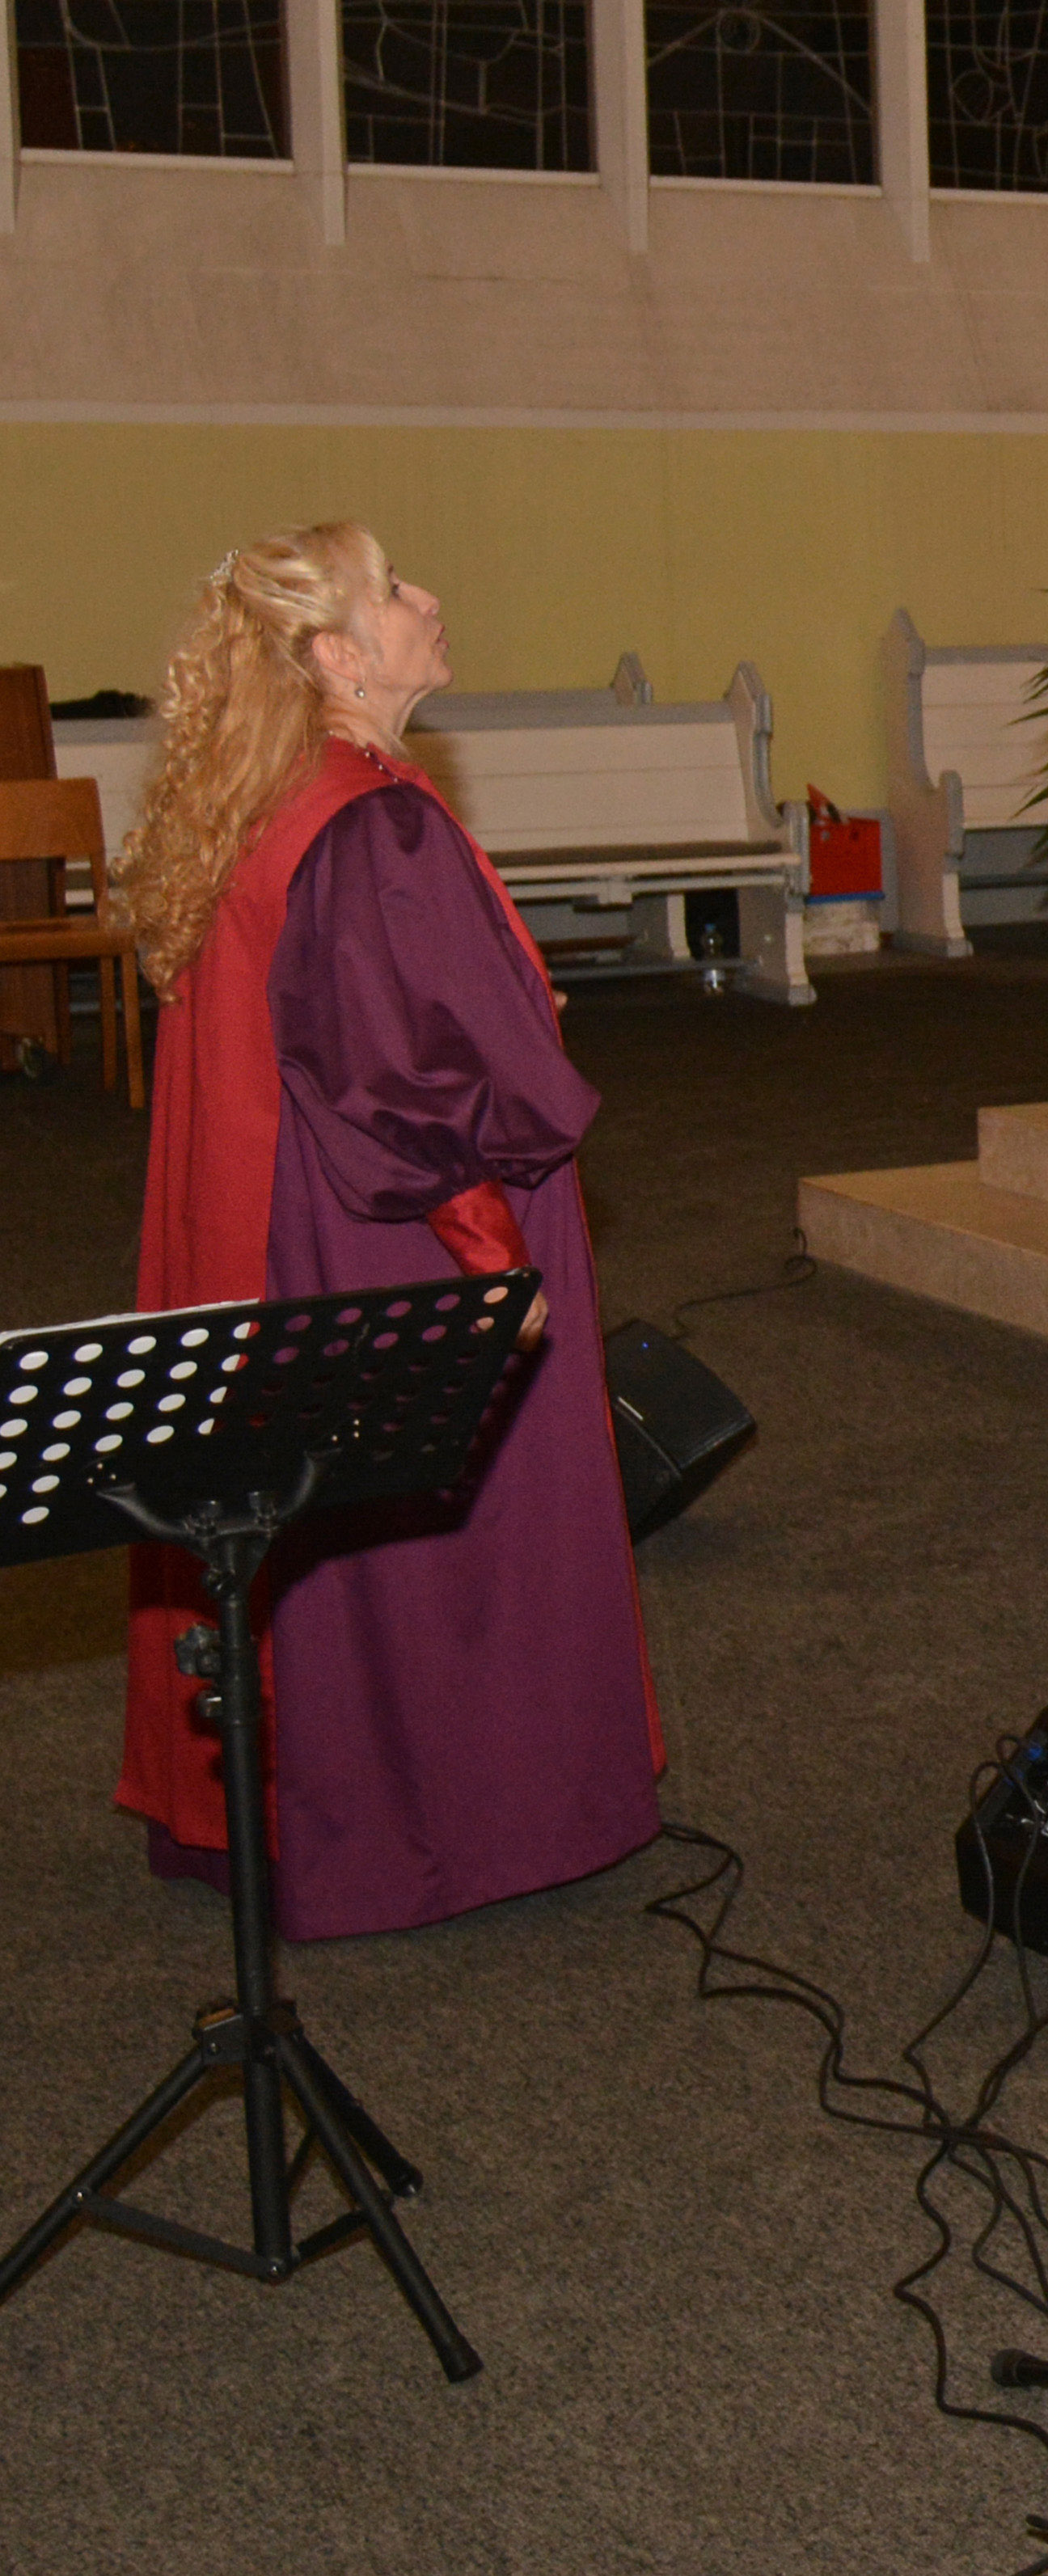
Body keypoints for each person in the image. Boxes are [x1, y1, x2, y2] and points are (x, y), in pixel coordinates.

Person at [112, 524, 659, 1935]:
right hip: (385, 1236)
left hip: (276, 1221)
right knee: (438, 1529)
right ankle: (445, 1818)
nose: (431, 598)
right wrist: (497, 1271)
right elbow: (412, 1094)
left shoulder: (266, 795)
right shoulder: (371, 818)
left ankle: (282, 1808)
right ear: (338, 655)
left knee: (314, 1527)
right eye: (398, 588)